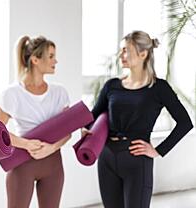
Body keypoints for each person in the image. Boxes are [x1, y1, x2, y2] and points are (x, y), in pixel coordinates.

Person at [82, 30, 193, 208]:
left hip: (137, 161)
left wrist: (158, 150)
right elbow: (93, 118)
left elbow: (185, 123)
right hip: (107, 158)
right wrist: (80, 125)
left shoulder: (159, 88)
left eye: (126, 50)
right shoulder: (112, 86)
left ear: (143, 54)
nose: (121, 54)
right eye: (121, 50)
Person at [0, 35, 71, 208]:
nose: (56, 61)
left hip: (53, 163)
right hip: (22, 164)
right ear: (35, 59)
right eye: (51, 56)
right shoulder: (12, 93)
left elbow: (68, 131)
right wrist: (26, 144)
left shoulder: (60, 93)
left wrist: (51, 147)